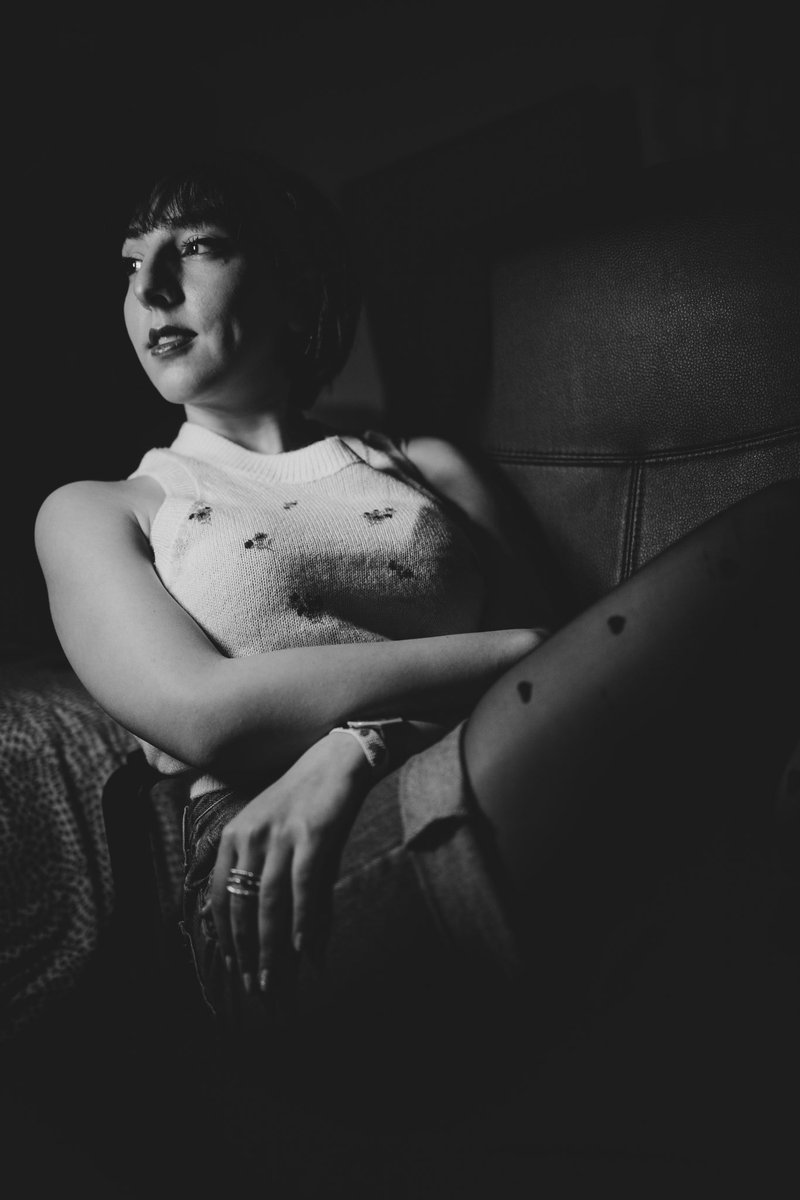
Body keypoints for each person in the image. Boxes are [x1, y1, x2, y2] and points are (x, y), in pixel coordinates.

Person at [34, 146, 800, 1115]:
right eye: (130, 260)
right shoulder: (102, 510)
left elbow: (565, 674)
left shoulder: (423, 465)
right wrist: (507, 651)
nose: (151, 286)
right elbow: (208, 716)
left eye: (197, 246)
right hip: (275, 869)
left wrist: (358, 745)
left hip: (484, 769)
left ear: (293, 288)